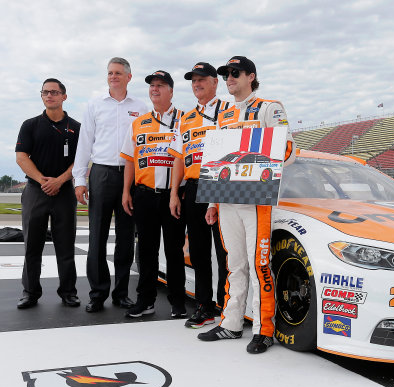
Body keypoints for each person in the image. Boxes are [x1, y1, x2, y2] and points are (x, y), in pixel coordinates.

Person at [199, 56, 296, 354]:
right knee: (235, 264)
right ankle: (231, 324)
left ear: (251, 76)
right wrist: (212, 201)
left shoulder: (269, 107)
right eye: (226, 73)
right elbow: (217, 159)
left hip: (257, 199)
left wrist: (261, 158)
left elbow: (290, 150)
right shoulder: (224, 114)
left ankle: (264, 329)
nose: (229, 78)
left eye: (235, 73)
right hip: (227, 199)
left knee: (259, 265)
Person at [73, 57, 148, 313]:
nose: (113, 76)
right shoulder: (95, 105)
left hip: (131, 177)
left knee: (126, 238)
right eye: (109, 73)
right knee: (97, 237)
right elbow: (84, 143)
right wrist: (79, 180)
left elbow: (146, 144)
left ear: (129, 76)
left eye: (118, 73)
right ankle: (97, 293)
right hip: (102, 174)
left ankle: (121, 293)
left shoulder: (142, 107)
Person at [120, 70, 187, 318]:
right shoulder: (138, 123)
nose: (155, 90)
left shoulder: (185, 119)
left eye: (160, 85)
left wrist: (176, 193)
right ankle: (145, 300)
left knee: (173, 250)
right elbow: (129, 160)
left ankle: (178, 303)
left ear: (171, 91)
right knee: (146, 251)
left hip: (173, 196)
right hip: (145, 194)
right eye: (152, 86)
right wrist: (127, 191)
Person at [168, 62, 230, 328]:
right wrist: (174, 193)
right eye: (193, 80)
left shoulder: (230, 110)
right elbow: (179, 159)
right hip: (193, 187)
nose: (197, 84)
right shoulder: (185, 118)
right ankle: (204, 306)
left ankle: (227, 303)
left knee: (225, 250)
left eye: (202, 79)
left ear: (215, 82)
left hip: (224, 184)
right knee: (199, 250)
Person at [15, 78, 81, 309]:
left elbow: (80, 161)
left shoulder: (76, 127)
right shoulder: (30, 125)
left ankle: (68, 292)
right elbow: (21, 157)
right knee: (32, 246)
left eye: (54, 92)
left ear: (64, 96)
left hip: (63, 192)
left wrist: (60, 180)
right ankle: (30, 292)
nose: (49, 95)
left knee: (65, 246)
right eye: (45, 92)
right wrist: (41, 179)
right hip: (36, 190)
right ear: (41, 96)